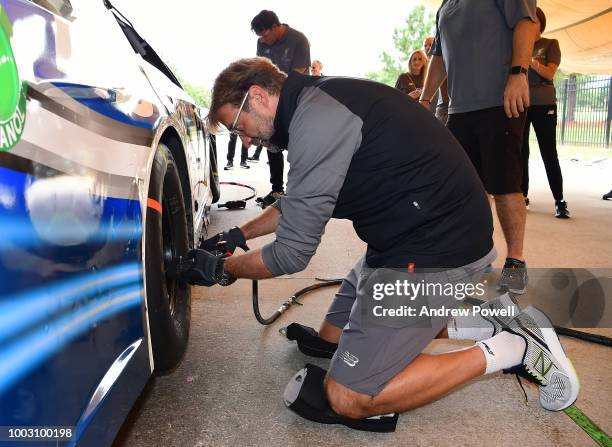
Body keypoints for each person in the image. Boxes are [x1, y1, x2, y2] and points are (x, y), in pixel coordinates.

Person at [184, 57, 579, 424]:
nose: (246, 142)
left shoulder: (316, 122)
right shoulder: (315, 106)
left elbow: (290, 255)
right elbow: (296, 204)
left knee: (350, 394)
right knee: (331, 339)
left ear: (257, 96)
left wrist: (222, 270)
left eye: (238, 127)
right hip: (404, 238)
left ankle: (517, 349)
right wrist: (238, 234)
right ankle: (481, 324)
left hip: (436, 247)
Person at [421, 0, 540, 295]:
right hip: (459, 110)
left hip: (500, 100)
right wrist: (425, 99)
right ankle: (476, 258)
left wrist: (518, 73)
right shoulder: (446, 6)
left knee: (505, 184)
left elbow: (527, 22)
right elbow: (438, 56)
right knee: (463, 190)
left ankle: (515, 262)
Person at [250, 10, 311, 207]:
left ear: (276, 27)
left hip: (296, 98)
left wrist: (275, 95)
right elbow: (260, 69)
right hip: (272, 100)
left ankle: (299, 191)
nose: (263, 41)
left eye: (265, 35)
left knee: (297, 144)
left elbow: (298, 76)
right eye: (260, 37)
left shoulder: (298, 40)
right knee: (271, 141)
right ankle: (277, 190)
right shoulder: (262, 42)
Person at [521, 7, 569, 218]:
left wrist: (530, 60)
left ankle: (559, 200)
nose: (531, 24)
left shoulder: (550, 44)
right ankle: (522, 195)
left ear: (540, 23)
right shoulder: (518, 44)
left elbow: (549, 73)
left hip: (544, 104)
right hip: (522, 103)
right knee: (521, 152)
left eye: (534, 20)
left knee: (549, 152)